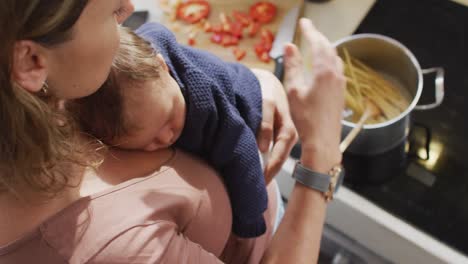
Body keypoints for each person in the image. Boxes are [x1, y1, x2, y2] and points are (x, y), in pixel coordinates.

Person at [0, 1, 345, 263]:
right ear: (30, 61)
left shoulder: (47, 94)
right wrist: (320, 155)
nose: (129, 8)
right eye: (108, 12)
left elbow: (168, 70)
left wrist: (252, 84)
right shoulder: (113, 248)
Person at [69, 24, 289, 238]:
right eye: (150, 142)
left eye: (170, 116)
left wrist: (250, 222)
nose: (167, 137)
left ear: (162, 65)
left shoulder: (206, 104)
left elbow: (243, 155)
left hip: (250, 117)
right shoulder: (142, 78)